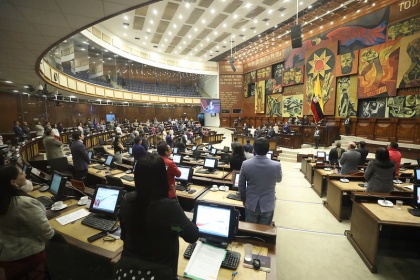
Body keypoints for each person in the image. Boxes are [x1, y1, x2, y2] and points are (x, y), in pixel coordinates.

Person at [117, 154, 199, 279]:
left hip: (125, 272)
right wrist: (174, 227)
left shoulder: (127, 199)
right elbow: (192, 236)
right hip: (158, 274)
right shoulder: (168, 206)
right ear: (162, 176)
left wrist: (171, 226)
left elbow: (123, 235)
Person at [0, 165, 55, 279]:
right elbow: (47, 233)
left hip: (6, 252)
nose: (24, 175)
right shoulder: (23, 203)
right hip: (25, 255)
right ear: (13, 182)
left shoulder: (4, 197)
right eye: (21, 173)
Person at [239, 138, 282, 225]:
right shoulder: (276, 165)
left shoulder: (245, 164)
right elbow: (279, 179)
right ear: (268, 150)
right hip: (268, 204)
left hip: (251, 203)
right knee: (264, 234)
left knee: (250, 231)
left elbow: (241, 186)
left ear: (254, 149)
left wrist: (244, 199)